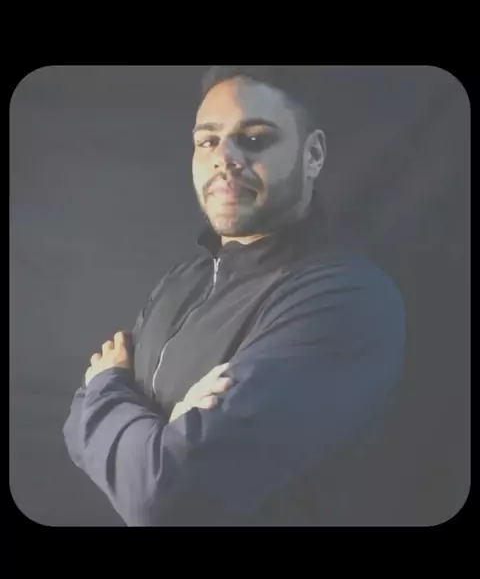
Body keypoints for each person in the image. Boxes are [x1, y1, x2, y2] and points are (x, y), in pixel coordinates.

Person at [63, 66, 406, 526]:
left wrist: (109, 387)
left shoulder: (345, 299)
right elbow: (73, 425)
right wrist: (162, 431)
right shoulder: (181, 282)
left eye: (255, 139)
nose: (224, 158)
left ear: (313, 154)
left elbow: (164, 498)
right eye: (207, 141)